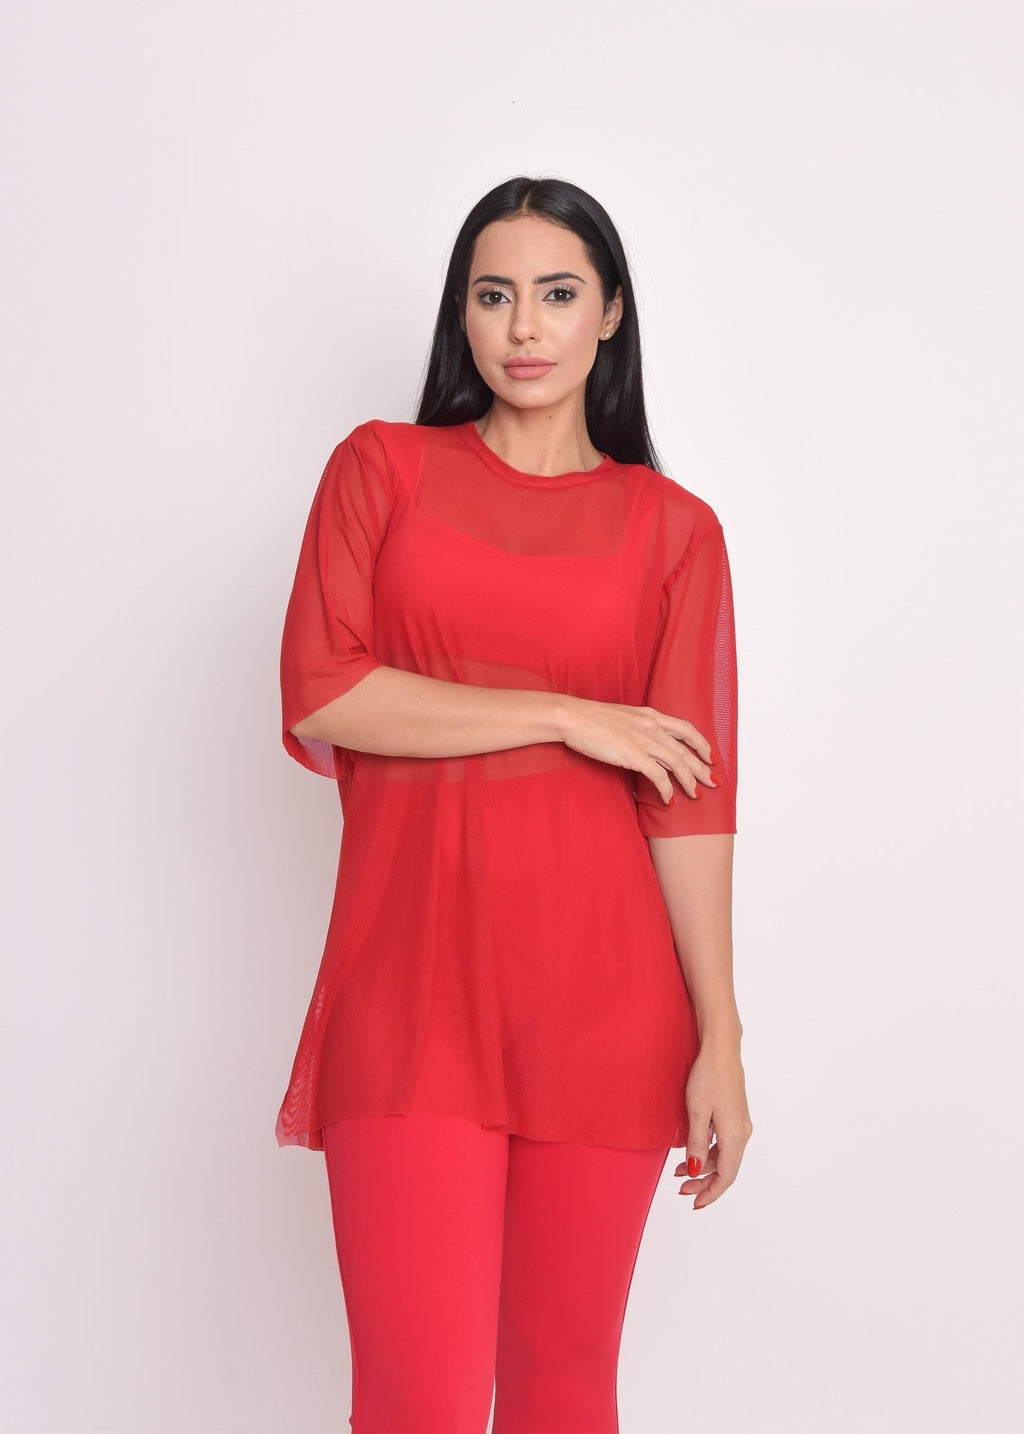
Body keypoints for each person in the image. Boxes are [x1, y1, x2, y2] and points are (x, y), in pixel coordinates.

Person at [275, 175, 753, 1434]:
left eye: (556, 294)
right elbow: (327, 691)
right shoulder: (382, 471)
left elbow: (691, 809)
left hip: (605, 1003)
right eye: (493, 296)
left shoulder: (673, 532)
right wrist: (567, 713)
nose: (523, 326)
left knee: (561, 1393)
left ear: (610, 314)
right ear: (462, 315)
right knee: (416, 1404)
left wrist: (721, 1035)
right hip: (412, 988)